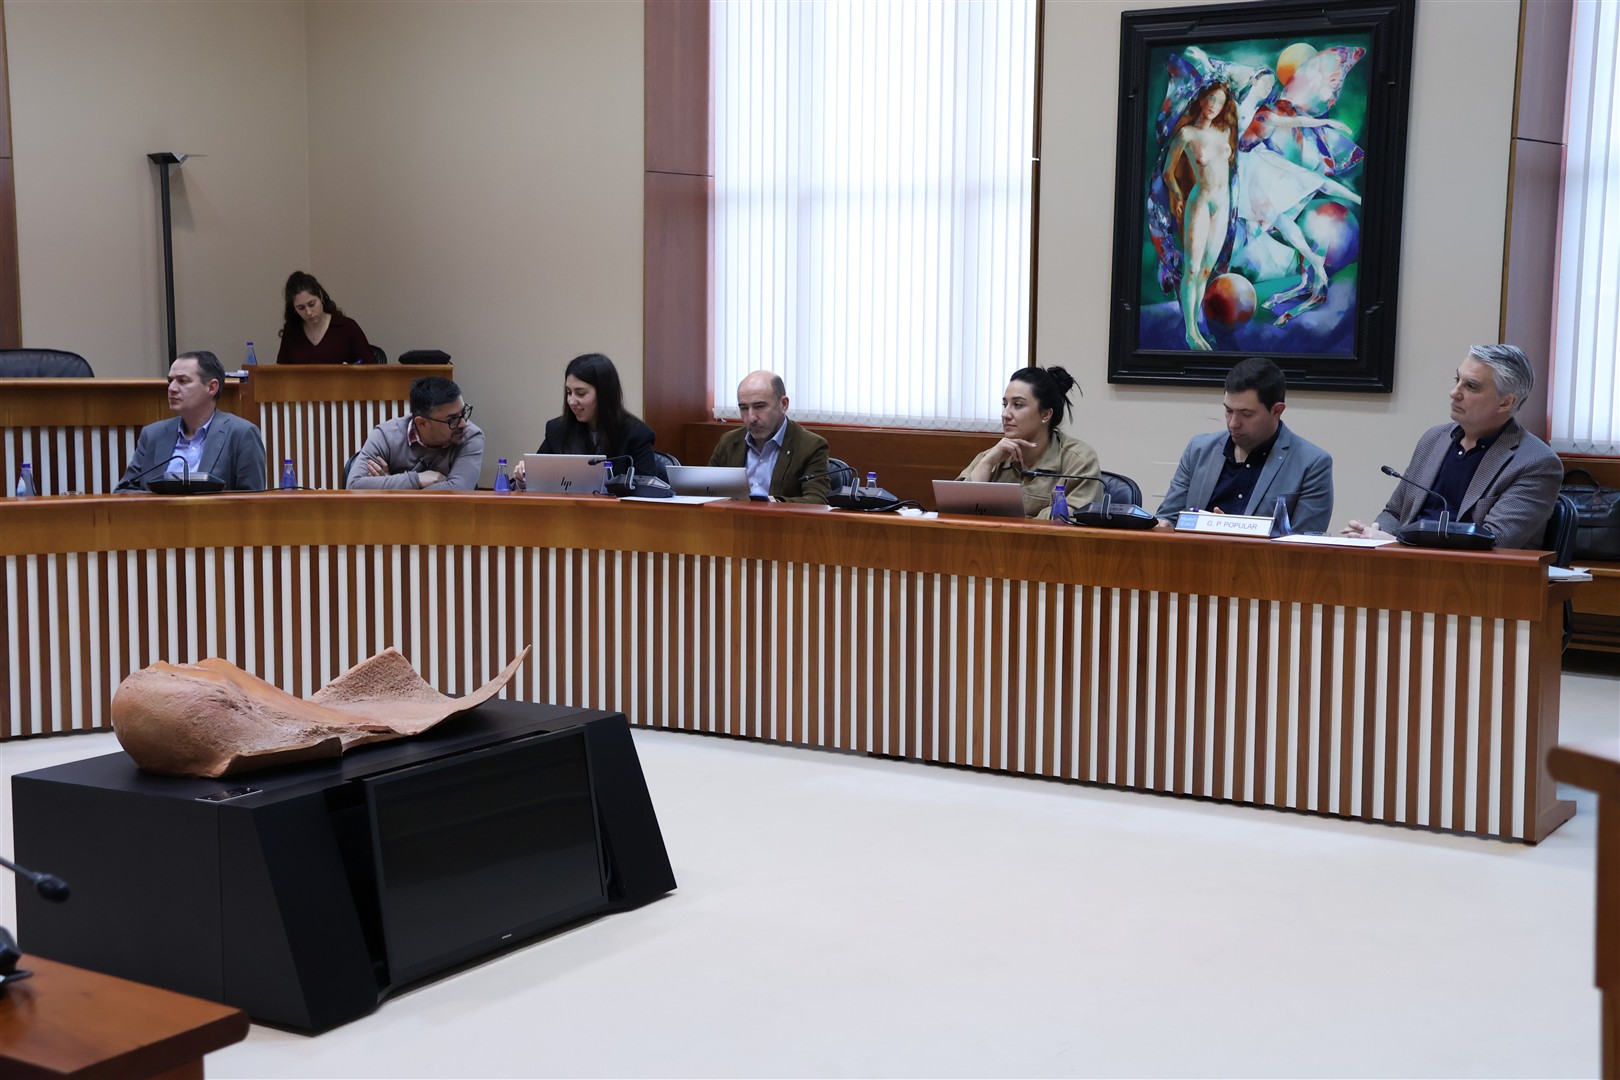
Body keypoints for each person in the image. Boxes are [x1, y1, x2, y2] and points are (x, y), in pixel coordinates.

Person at [1344, 344, 1562, 550]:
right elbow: (1394, 512)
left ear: (1506, 402)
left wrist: (1396, 543)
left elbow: (1494, 543)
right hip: (1405, 566)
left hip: (1477, 576)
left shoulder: (1536, 463)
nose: (1454, 392)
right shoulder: (1434, 439)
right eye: (1458, 380)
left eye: (1471, 386)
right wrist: (1373, 534)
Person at [1155, 356, 1334, 531]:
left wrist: (1230, 533)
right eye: (1228, 411)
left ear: (1277, 411)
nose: (1233, 423)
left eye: (1246, 414)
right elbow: (1168, 517)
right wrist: (1164, 525)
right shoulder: (1199, 449)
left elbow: (1305, 544)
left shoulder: (1312, 464)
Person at [957, 365, 1102, 519]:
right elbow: (955, 511)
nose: (1005, 414)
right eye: (1005, 405)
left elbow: (1073, 519)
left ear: (1045, 414)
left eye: (1017, 405)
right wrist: (987, 463)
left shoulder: (1079, 460)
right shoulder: (992, 456)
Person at [1159, 80, 1239, 351]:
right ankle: (1190, 332)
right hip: (1201, 202)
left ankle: (1197, 326)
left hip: (1223, 205)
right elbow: (1168, 171)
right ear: (1201, 99)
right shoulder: (1187, 134)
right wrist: (1176, 194)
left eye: (1220, 101)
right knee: (1191, 269)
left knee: (1205, 270)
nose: (1214, 106)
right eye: (1210, 99)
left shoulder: (1226, 130)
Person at [115, 351, 266, 492]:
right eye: (170, 381)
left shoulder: (241, 434)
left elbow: (252, 503)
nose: (172, 388)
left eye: (182, 381)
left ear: (211, 388)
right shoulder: (152, 434)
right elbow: (123, 491)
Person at [513, 353, 666, 487]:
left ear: (604, 394)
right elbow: (536, 479)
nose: (571, 401)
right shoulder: (557, 429)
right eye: (568, 392)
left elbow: (646, 491)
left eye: (580, 393)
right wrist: (524, 478)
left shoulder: (636, 434)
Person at [707, 370, 830, 503]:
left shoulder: (810, 446)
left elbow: (818, 500)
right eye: (744, 408)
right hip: (733, 516)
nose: (751, 417)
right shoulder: (729, 442)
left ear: (783, 404)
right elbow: (706, 489)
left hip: (779, 516)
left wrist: (775, 503)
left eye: (759, 406)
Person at [346, 376, 484, 490]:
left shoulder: (470, 436)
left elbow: (457, 491)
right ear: (422, 423)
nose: (463, 424)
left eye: (463, 412)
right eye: (452, 419)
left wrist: (390, 485)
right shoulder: (386, 435)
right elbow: (354, 485)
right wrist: (416, 479)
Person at [275, 270, 377, 365]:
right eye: (301, 308)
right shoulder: (292, 332)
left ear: (320, 296)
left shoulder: (347, 328)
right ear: (294, 308)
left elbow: (371, 369)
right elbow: (281, 372)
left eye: (312, 304)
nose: (309, 312)